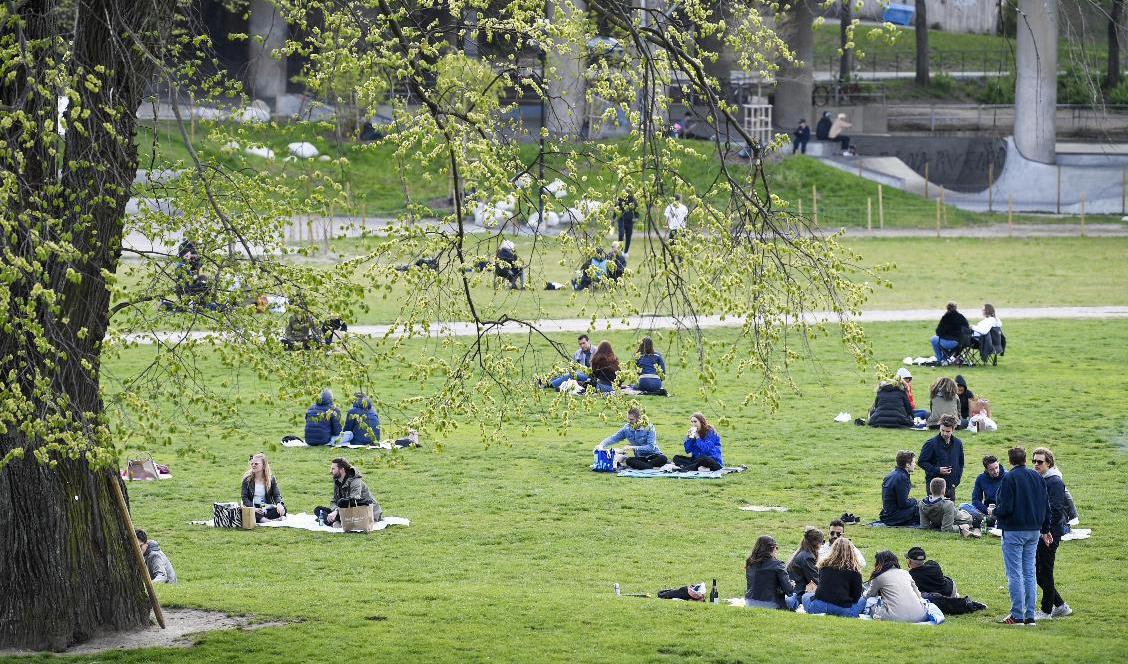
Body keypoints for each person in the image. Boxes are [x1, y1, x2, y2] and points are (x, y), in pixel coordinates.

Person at [993, 446, 1049, 625]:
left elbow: (1006, 507)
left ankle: (1017, 614)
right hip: (1034, 531)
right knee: (1029, 573)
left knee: (1015, 574)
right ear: (1026, 460)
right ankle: (1030, 615)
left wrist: (995, 512)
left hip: (1014, 531)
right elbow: (1046, 506)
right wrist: (1045, 529)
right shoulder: (1037, 477)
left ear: (1010, 461)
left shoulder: (1009, 478)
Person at [1033, 447, 1072, 620]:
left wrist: (1046, 531)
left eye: (1039, 462)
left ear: (1049, 463)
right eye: (1034, 461)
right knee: (1038, 572)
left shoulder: (1054, 481)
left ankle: (1047, 610)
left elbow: (1056, 510)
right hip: (1042, 531)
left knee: (1044, 571)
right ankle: (1061, 606)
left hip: (1050, 532)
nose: (1036, 464)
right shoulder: (1043, 479)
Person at [801, 537, 866, 617]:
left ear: (833, 549)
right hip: (843, 609)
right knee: (863, 599)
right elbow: (856, 597)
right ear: (851, 552)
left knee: (805, 596)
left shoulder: (823, 566)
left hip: (819, 606)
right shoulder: (855, 572)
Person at [315, 457, 381, 527]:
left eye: (333, 469)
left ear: (342, 469)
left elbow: (354, 501)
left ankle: (335, 522)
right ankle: (336, 521)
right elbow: (334, 500)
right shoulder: (337, 480)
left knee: (342, 502)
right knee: (318, 510)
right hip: (345, 510)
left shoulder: (355, 481)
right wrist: (334, 511)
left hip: (366, 511)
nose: (330, 471)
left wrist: (337, 512)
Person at [865, 551, 928, 623]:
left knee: (871, 605)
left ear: (878, 563)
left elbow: (869, 596)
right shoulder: (905, 573)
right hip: (920, 616)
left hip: (895, 617)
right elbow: (918, 595)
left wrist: (864, 592)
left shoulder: (878, 576)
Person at [597, 407, 667, 469]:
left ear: (638, 419)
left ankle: (646, 466)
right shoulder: (626, 428)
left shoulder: (649, 427)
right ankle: (650, 467)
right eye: (628, 419)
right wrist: (601, 444)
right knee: (629, 460)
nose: (629, 421)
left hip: (654, 455)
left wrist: (633, 447)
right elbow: (614, 438)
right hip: (640, 458)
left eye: (632, 419)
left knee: (663, 458)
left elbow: (651, 447)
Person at [745, 535, 798, 610]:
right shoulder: (777, 565)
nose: (776, 550)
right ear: (772, 548)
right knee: (794, 597)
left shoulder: (750, 563)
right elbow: (789, 591)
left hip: (750, 601)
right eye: (776, 548)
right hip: (771, 603)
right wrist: (791, 585)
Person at [918, 414, 964, 498]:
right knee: (935, 510)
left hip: (951, 486)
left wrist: (956, 480)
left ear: (953, 430)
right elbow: (921, 462)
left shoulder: (958, 443)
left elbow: (960, 463)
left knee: (950, 510)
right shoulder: (930, 444)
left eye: (947, 431)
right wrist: (937, 470)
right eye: (942, 430)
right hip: (934, 486)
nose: (944, 433)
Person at [960, 454, 1006, 528]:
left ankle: (984, 520)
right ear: (986, 469)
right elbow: (975, 500)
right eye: (991, 469)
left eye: (996, 467)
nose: (995, 471)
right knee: (963, 506)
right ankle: (987, 519)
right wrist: (986, 509)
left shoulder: (1007, 477)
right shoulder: (981, 478)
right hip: (987, 510)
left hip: (1001, 510)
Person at [240, 453, 286, 522]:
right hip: (252, 507)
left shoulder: (271, 479)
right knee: (248, 512)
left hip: (265, 507)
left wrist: (279, 504)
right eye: (252, 463)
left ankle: (264, 520)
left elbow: (276, 495)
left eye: (256, 464)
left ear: (263, 465)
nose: (253, 465)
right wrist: (253, 508)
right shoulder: (247, 479)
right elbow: (244, 497)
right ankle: (269, 521)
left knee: (283, 509)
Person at [880, 450, 918, 526]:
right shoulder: (902, 478)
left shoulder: (891, 474)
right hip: (893, 517)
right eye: (913, 462)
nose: (915, 464)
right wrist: (914, 501)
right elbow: (903, 504)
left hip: (886, 513)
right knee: (922, 507)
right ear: (907, 465)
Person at [786, 527, 824, 595]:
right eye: (822, 542)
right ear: (818, 543)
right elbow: (814, 581)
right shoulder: (808, 557)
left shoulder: (802, 552)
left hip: (795, 591)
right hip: (798, 594)